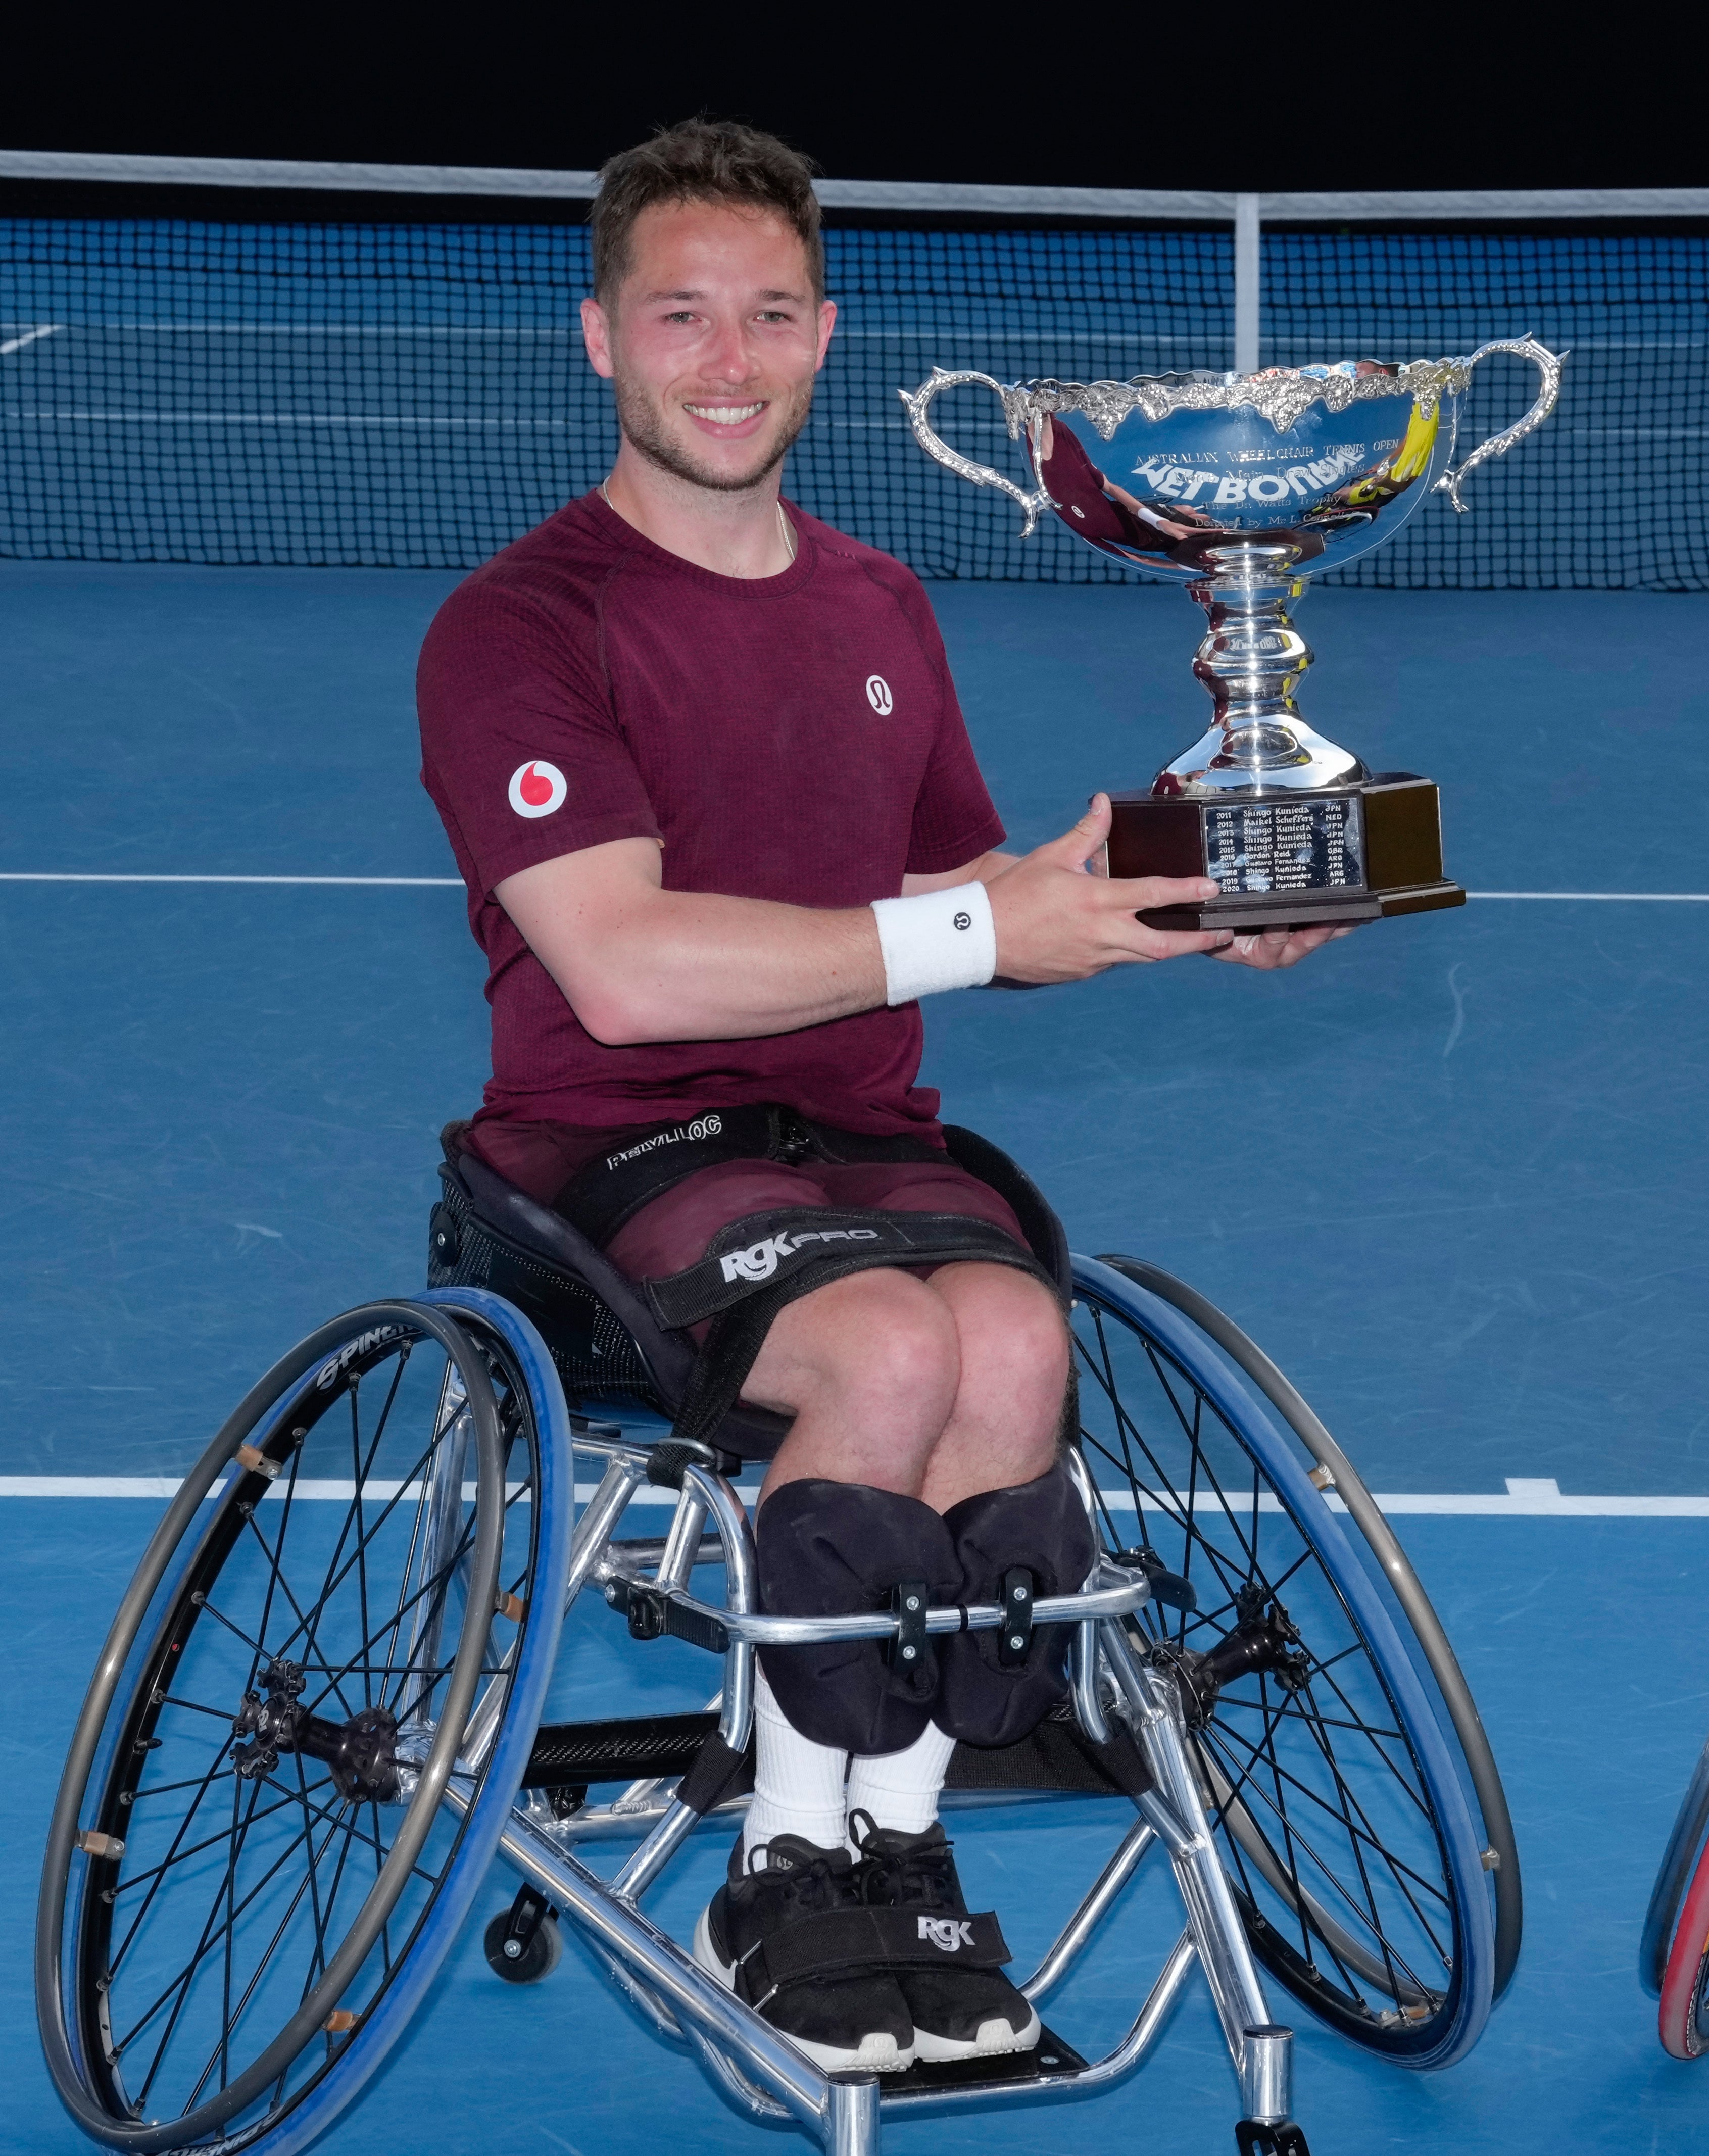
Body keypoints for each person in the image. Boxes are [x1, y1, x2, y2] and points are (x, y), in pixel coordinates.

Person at [416, 118, 1346, 2077]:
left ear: (825, 334)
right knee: (890, 1359)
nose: (726, 359)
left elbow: (959, 896)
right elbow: (628, 961)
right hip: (605, 1147)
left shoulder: (875, 603)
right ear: (599, 337)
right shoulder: (520, 625)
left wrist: (1179, 890)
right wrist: (970, 928)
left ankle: (896, 1849)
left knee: (1010, 1339)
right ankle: (781, 1869)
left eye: (767, 314)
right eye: (680, 315)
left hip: (855, 1139)